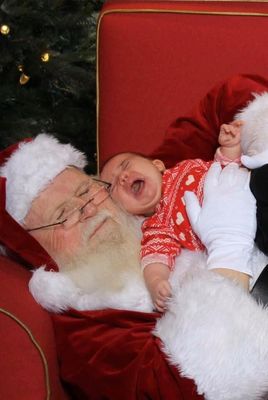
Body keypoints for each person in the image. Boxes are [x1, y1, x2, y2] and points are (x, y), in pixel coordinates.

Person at [1, 133, 268, 400]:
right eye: (63, 215)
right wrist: (229, 250)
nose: (88, 209)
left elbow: (221, 106)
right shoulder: (88, 330)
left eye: (86, 190)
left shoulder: (147, 210)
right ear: (40, 253)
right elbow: (185, 385)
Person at [100, 121, 247, 311]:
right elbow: (154, 258)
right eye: (112, 186)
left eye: (125, 165)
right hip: (237, 237)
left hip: (246, 193)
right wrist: (156, 282)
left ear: (157, 165)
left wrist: (230, 146)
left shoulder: (186, 167)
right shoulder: (158, 225)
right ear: (124, 210)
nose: (122, 177)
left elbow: (224, 168)